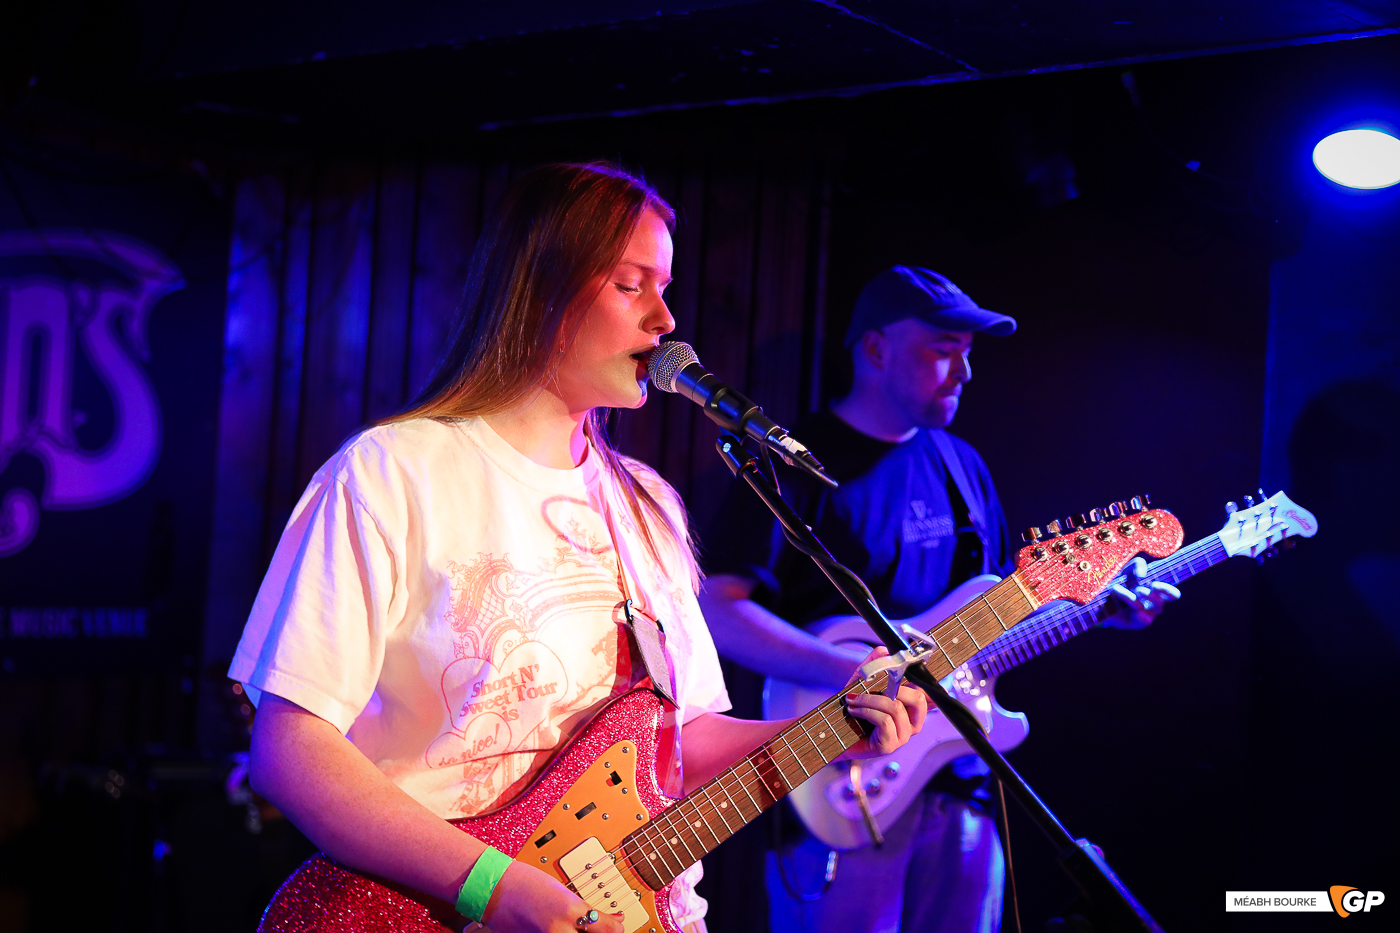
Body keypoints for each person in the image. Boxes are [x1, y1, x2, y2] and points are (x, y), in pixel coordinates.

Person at [228, 164, 929, 933]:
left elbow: (677, 741)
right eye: (633, 285)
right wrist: (490, 884)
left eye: (665, 287)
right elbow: (290, 749)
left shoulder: (647, 506)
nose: (666, 321)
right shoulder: (394, 472)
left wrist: (832, 728)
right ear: (542, 291)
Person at [699, 266, 1180, 933]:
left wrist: (1102, 606)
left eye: (969, 351)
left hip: (962, 787)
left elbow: (995, 620)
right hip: (842, 777)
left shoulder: (963, 465)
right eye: (942, 348)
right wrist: (854, 673)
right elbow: (718, 608)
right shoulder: (793, 465)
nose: (964, 371)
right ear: (875, 350)